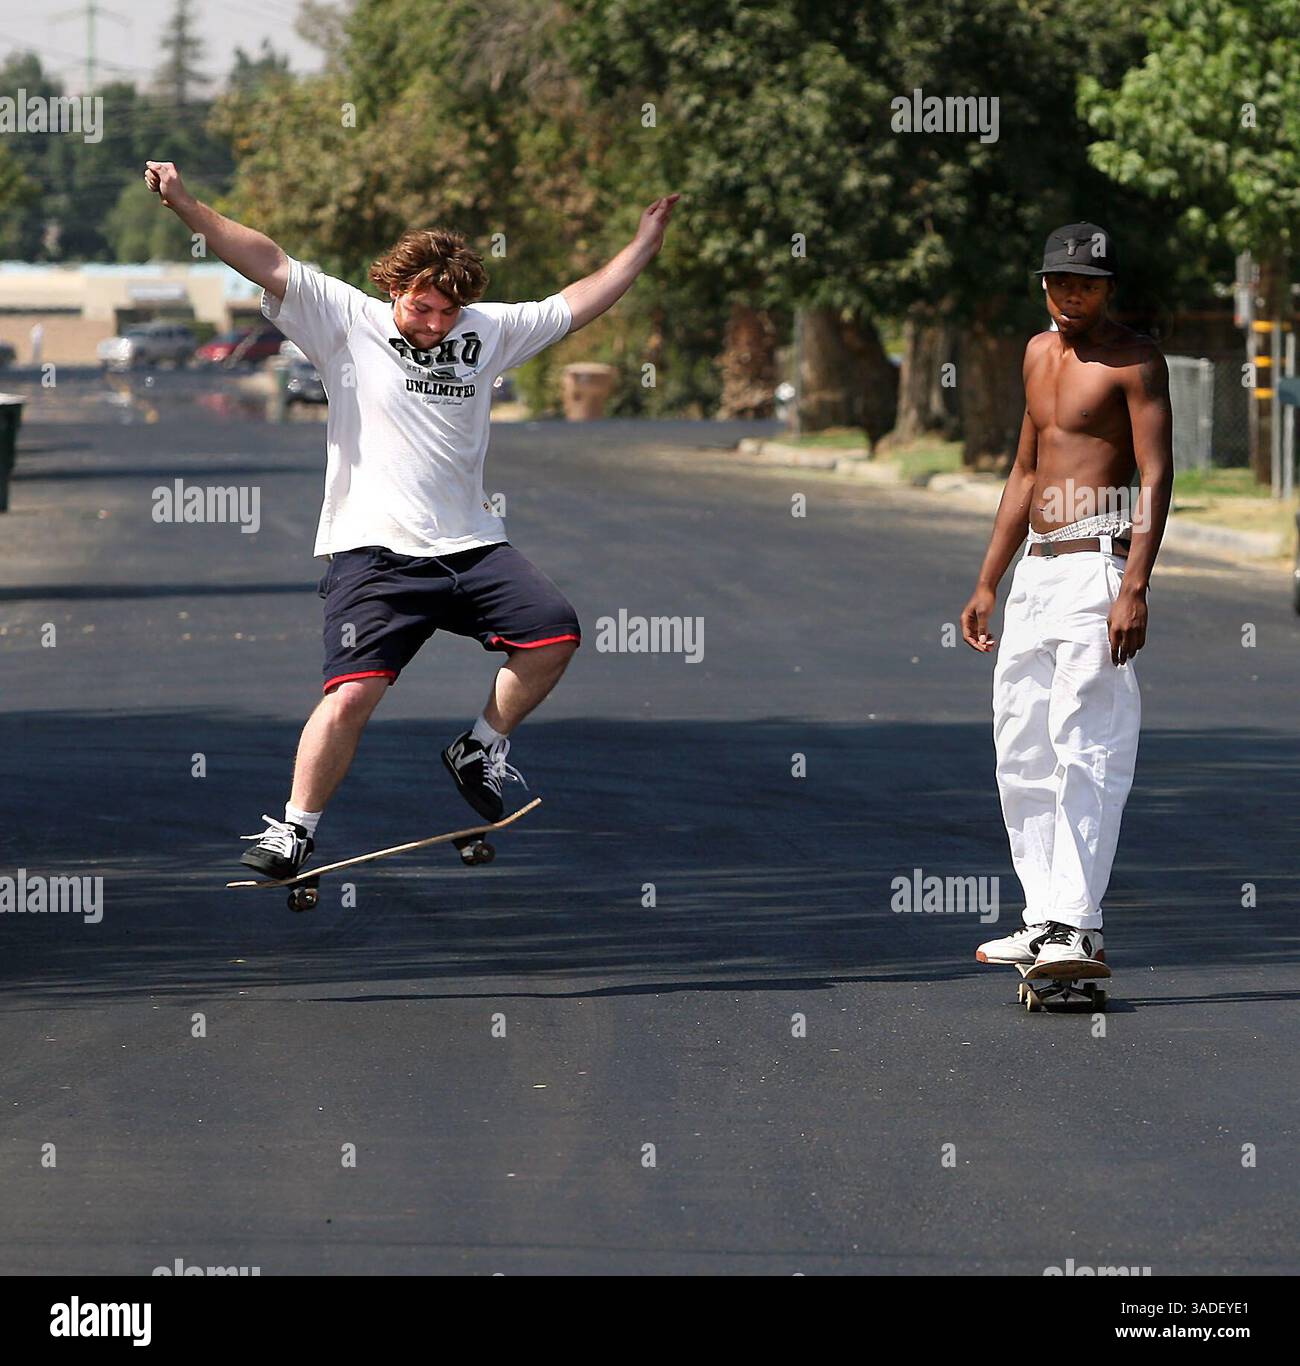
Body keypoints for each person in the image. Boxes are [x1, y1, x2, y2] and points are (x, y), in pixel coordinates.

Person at [143, 159, 679, 879]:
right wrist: (186, 206)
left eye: (445, 315)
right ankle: (294, 829)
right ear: (395, 289)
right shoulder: (344, 320)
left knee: (554, 633)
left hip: (471, 546)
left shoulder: (488, 332)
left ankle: (480, 747)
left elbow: (576, 302)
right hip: (374, 552)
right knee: (353, 693)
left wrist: (642, 246)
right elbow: (264, 258)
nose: (432, 326)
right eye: (420, 309)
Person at [960, 222, 1172, 974]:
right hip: (1038, 573)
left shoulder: (1136, 361)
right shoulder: (1037, 354)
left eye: (1086, 283)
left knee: (1087, 748)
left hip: (1097, 565)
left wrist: (1135, 586)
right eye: (1059, 282)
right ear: (1043, 284)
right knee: (1021, 749)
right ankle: (1041, 916)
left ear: (1109, 287)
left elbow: (1154, 476)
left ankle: (1076, 924)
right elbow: (1024, 471)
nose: (1071, 294)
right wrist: (990, 577)